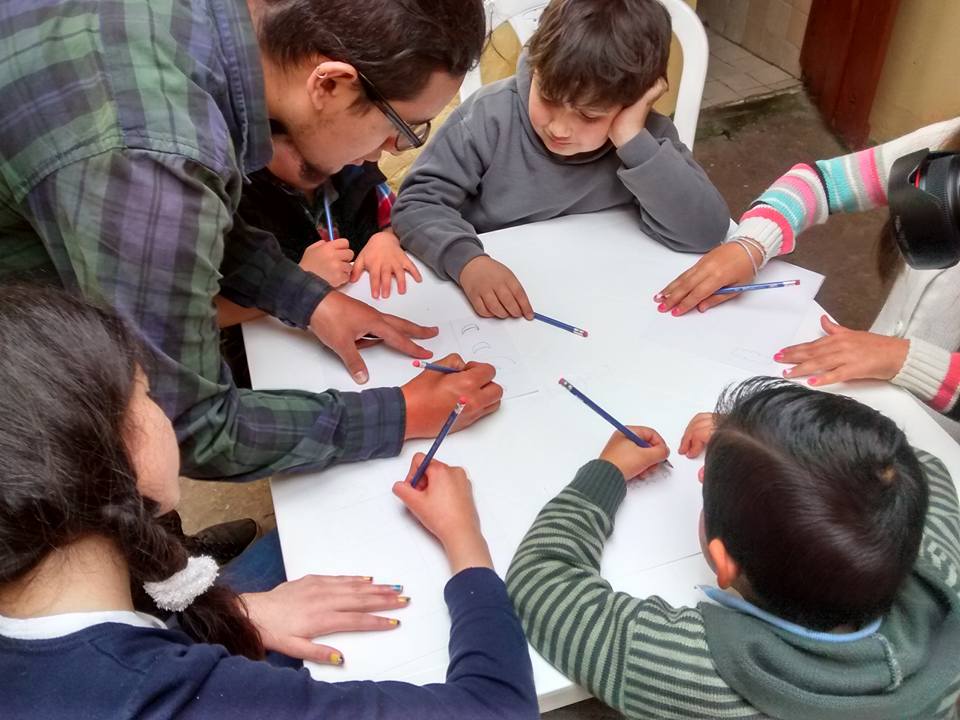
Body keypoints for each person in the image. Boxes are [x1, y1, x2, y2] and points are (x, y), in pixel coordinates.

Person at [0, 0, 492, 481]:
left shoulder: (204, 46)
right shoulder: (154, 157)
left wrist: (310, 299)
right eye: (402, 128)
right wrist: (401, 412)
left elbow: (186, 220)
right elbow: (184, 427)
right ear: (331, 83)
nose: (386, 153)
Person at [0, 285, 539, 720]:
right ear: (121, 446)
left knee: (286, 549)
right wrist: (465, 541)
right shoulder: (175, 698)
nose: (164, 406)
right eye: (147, 393)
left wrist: (237, 613)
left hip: (180, 626)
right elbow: (499, 707)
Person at [507, 377, 960, 719]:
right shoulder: (943, 560)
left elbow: (541, 580)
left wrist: (606, 472)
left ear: (723, 563)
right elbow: (907, 465)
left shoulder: (696, 671)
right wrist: (760, 444)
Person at [391, 0, 729, 321]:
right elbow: (417, 205)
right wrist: (467, 261)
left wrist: (631, 141)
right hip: (503, 292)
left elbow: (705, 232)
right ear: (537, 66)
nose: (559, 128)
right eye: (548, 98)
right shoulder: (488, 115)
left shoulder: (646, 136)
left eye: (589, 115)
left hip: (601, 295)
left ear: (633, 102)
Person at [656, 118, 960, 428]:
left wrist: (904, 359)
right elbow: (821, 182)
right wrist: (753, 243)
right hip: (870, 385)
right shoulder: (946, 142)